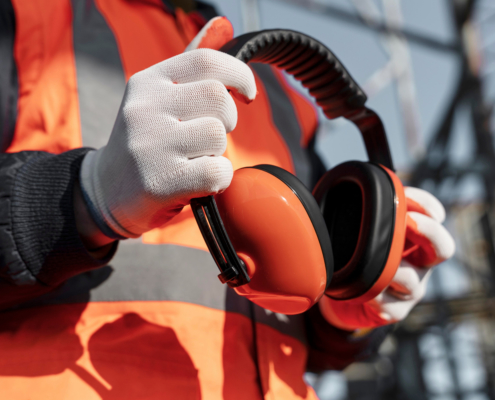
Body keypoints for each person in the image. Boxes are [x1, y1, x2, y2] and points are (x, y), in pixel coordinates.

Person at [0, 0, 455, 398]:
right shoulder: (26, 16)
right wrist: (84, 196)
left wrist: (340, 318)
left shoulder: (278, 93)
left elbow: (291, 315)